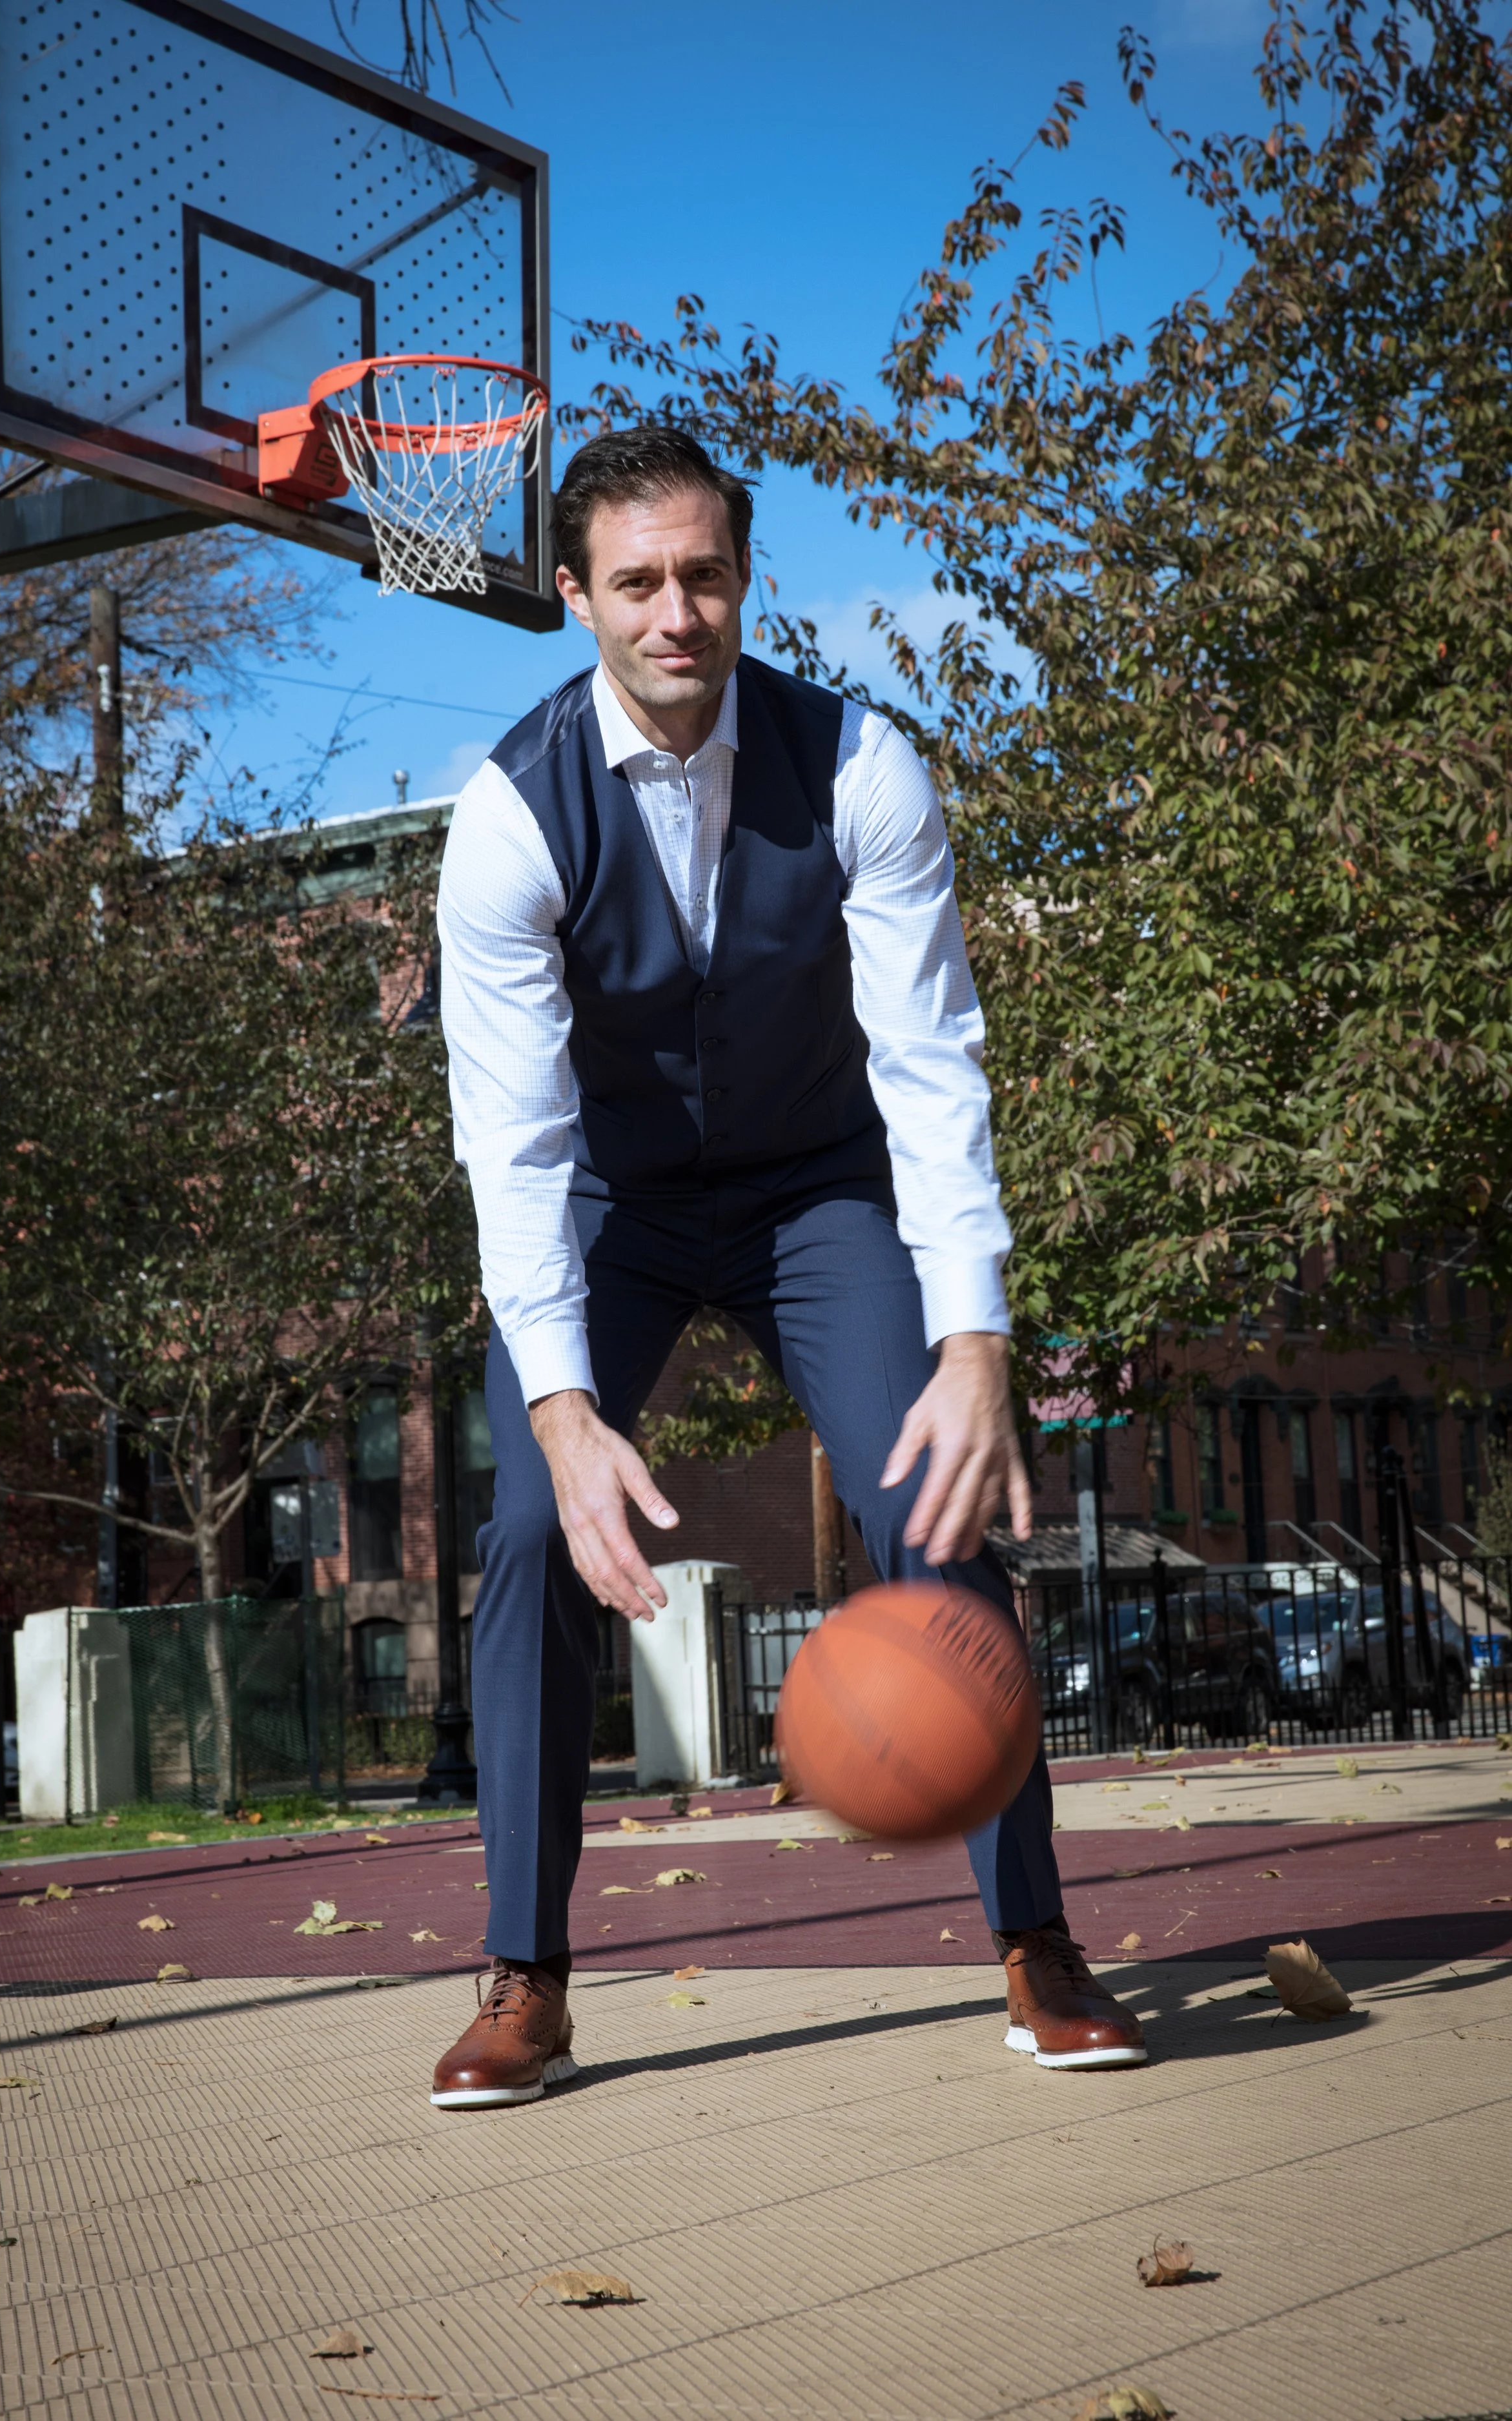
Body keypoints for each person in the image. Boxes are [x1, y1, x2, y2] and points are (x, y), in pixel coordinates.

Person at [429, 426, 1145, 2107]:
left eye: (704, 573)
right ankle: (523, 1973)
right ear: (573, 597)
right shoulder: (507, 821)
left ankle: (1035, 1942)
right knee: (536, 1526)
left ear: (743, 578)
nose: (676, 611)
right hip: (609, 1201)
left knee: (930, 1497)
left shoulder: (862, 766)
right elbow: (514, 1146)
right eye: (636, 581)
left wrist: (975, 1341)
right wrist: (555, 1410)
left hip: (819, 1185)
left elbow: (932, 1061)